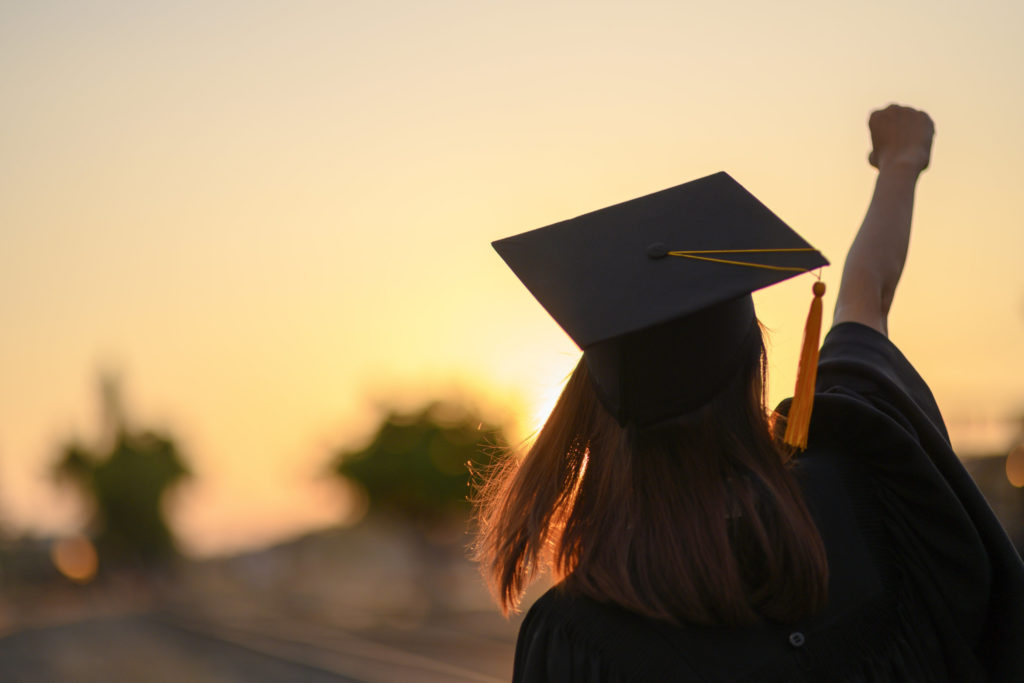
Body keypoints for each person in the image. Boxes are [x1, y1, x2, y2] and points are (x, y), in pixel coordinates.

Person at [474, 105, 1024, 681]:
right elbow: (866, 299)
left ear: (598, 410)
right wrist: (901, 163)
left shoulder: (579, 637)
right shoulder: (864, 491)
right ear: (753, 371)